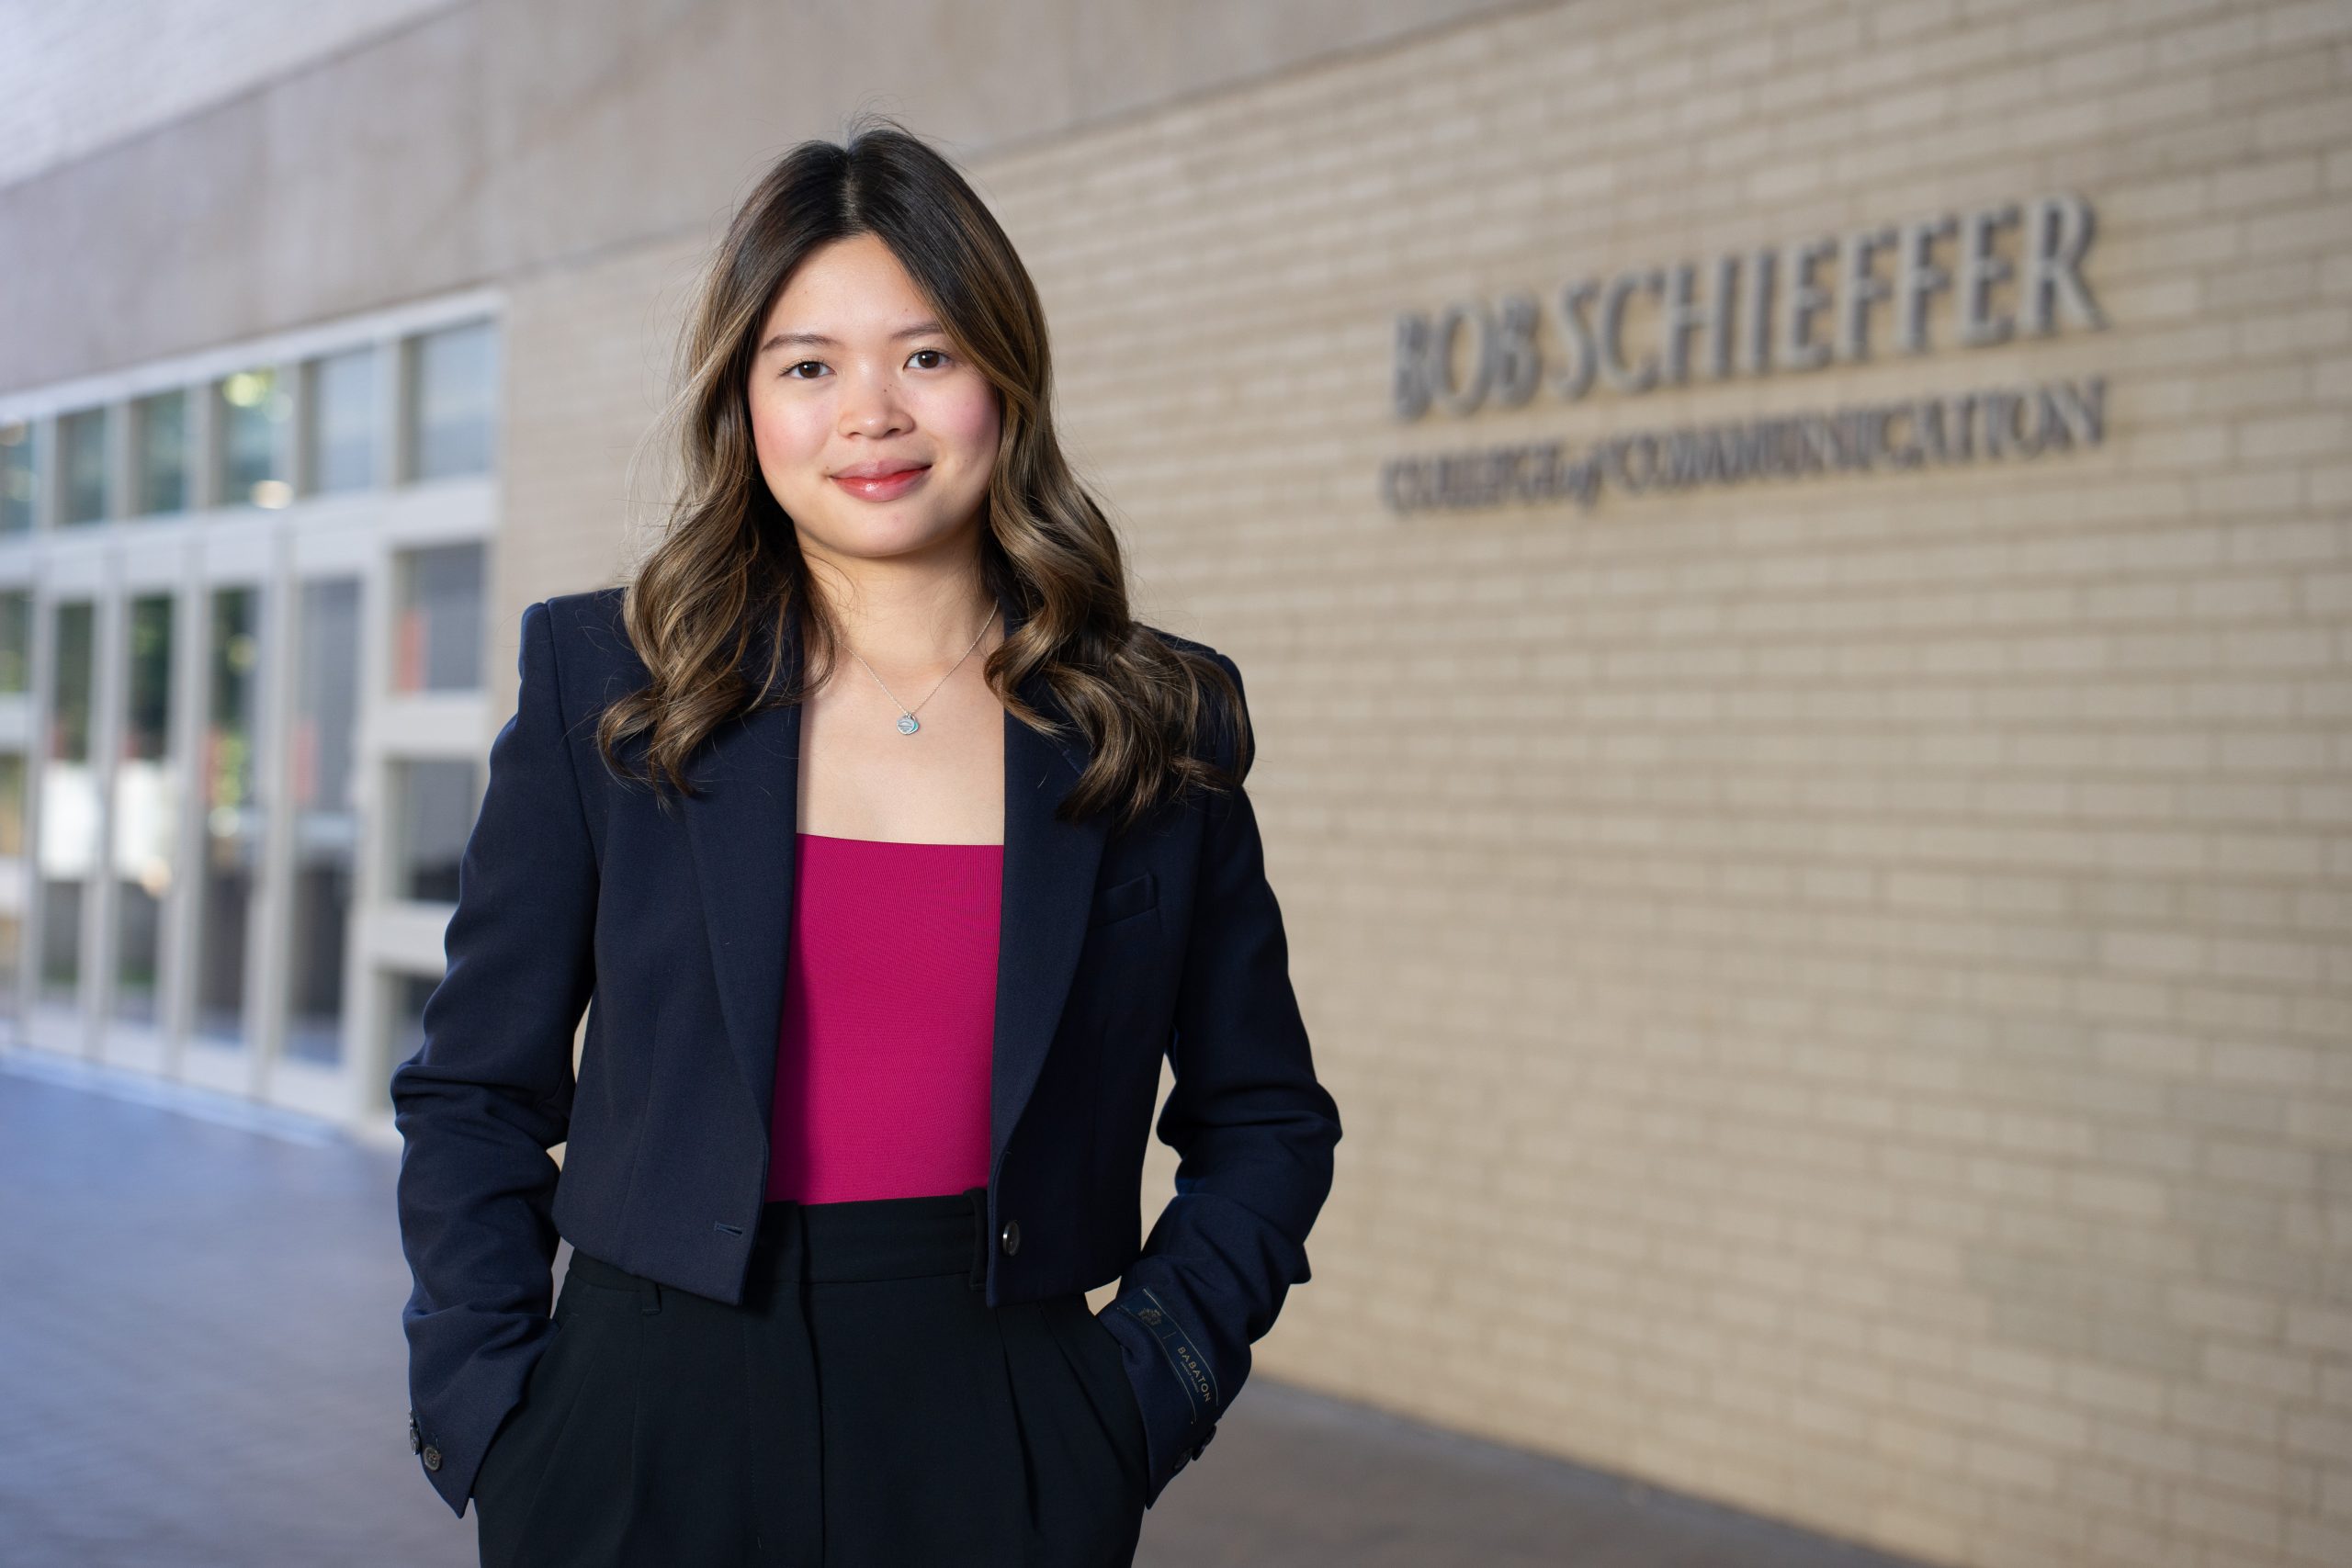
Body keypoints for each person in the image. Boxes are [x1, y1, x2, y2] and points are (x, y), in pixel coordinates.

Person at [390, 112, 1343, 1568]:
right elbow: (473, 1092)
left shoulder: (1157, 720)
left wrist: (1136, 1398)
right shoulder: (615, 686)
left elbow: (1266, 1119)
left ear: (1002, 379)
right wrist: (497, 1414)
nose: (870, 414)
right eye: (809, 366)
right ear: (747, 403)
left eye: (927, 355)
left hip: (1004, 1418)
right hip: (639, 1423)